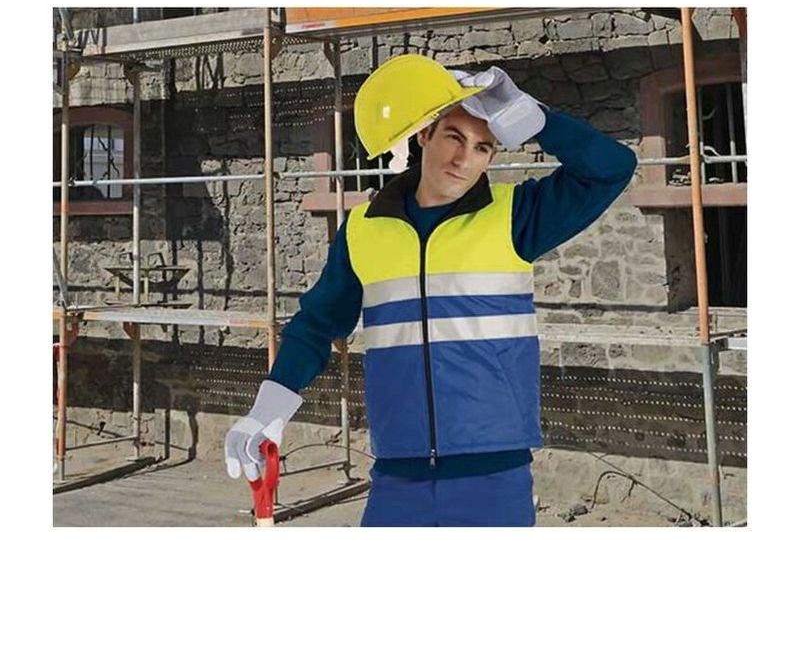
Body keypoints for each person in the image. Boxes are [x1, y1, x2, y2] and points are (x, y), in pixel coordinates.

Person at [225, 54, 637, 526]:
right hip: (398, 472)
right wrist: (268, 409)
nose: (464, 160)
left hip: (493, 473)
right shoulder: (364, 228)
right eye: (454, 138)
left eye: (482, 148)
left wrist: (537, 118)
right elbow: (316, 325)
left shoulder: (517, 216)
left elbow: (612, 168)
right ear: (424, 135)